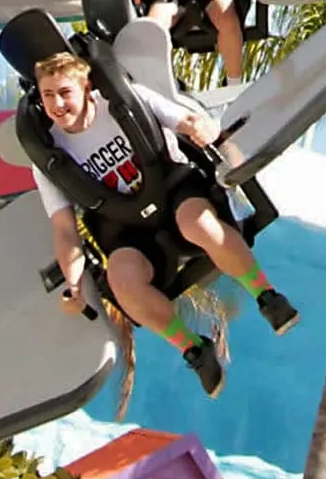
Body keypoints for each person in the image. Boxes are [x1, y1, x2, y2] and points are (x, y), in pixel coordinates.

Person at [29, 51, 297, 397]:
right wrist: (74, 285)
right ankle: (195, 349)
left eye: (65, 92)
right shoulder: (50, 156)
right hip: (129, 231)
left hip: (175, 194)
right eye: (48, 95)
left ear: (86, 86)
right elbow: (64, 228)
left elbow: (184, 120)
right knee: (122, 281)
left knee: (197, 225)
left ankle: (267, 296)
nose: (57, 104)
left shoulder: (124, 100)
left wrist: (201, 127)